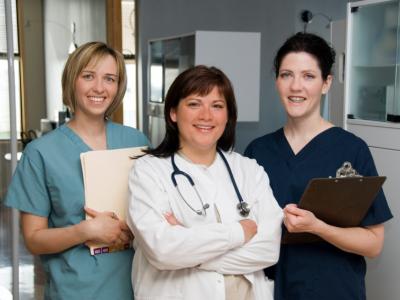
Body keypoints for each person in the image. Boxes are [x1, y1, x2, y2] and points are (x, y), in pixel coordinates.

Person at [244, 32, 393, 300]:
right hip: (272, 289)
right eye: (286, 75)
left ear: (326, 83)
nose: (296, 86)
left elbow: (373, 244)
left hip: (335, 290)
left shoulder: (351, 149)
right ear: (277, 81)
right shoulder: (258, 151)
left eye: (308, 76)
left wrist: (318, 227)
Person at [4, 41, 149, 299]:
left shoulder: (136, 142)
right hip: (77, 290)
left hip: (139, 286)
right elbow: (34, 239)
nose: (99, 88)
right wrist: (85, 231)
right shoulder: (41, 152)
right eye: (88, 76)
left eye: (110, 79)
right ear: (72, 81)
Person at [127, 65, 283, 300]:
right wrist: (237, 232)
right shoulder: (148, 171)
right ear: (173, 113)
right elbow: (162, 250)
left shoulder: (249, 170)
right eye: (194, 104)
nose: (206, 116)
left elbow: (268, 250)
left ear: (228, 116)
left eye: (217, 106)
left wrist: (190, 254)